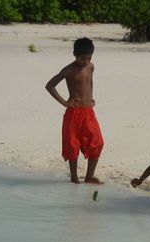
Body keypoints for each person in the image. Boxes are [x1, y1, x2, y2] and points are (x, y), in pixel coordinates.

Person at [45, 37, 104, 184]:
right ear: (74, 55)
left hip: (88, 112)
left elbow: (89, 81)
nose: (85, 61)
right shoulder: (69, 70)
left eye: (89, 58)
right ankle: (74, 177)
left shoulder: (91, 66)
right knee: (72, 145)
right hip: (74, 113)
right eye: (82, 58)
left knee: (97, 142)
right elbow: (50, 85)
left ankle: (89, 176)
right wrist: (65, 102)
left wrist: (90, 96)